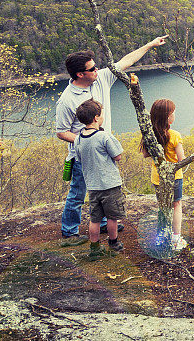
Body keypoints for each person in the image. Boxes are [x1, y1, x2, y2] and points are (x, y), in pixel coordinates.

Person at [56, 36, 167, 246]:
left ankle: (107, 223)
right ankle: (69, 232)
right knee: (78, 193)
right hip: (83, 157)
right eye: (93, 68)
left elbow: (126, 61)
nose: (97, 70)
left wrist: (150, 44)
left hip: (104, 152)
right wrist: (88, 141)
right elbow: (61, 132)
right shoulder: (67, 100)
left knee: (106, 190)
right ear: (81, 74)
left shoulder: (102, 78)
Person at [73, 99, 125, 260]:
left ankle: (94, 247)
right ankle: (113, 242)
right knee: (112, 217)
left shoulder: (78, 138)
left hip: (93, 186)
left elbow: (80, 159)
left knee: (95, 218)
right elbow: (118, 156)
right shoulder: (104, 136)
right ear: (96, 118)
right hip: (110, 185)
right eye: (101, 115)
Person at [143, 98, 187, 251]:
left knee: (163, 207)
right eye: (173, 113)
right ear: (167, 116)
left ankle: (162, 238)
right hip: (174, 177)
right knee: (176, 205)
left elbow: (144, 154)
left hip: (157, 177)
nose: (175, 115)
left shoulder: (149, 134)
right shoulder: (175, 135)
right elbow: (182, 160)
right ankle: (175, 239)